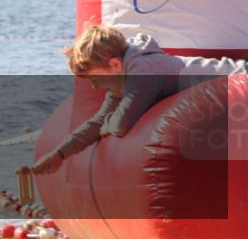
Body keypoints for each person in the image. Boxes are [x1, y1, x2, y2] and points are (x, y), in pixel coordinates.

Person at [32, 24, 247, 175]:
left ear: (114, 64)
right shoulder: (123, 74)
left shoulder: (143, 71)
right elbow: (98, 121)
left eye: (95, 78)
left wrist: (108, 124)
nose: (95, 86)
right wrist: (60, 154)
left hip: (241, 80)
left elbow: (121, 125)